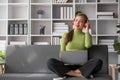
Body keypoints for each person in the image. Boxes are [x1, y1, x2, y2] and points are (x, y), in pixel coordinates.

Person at [47, 13, 103, 79]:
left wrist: (87, 30)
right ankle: (79, 75)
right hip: (67, 66)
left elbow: (88, 45)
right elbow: (62, 52)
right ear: (73, 22)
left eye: (81, 21)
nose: (77, 23)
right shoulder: (66, 34)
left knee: (98, 61)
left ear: (85, 24)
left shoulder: (86, 35)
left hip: (82, 67)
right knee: (50, 62)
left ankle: (68, 74)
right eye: (76, 20)